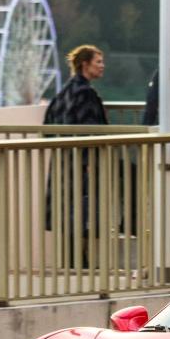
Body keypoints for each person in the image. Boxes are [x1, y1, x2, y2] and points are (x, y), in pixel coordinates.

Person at [43, 45, 109, 266]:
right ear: (85, 64)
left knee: (68, 211)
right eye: (98, 62)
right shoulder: (86, 94)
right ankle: (80, 263)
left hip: (62, 161)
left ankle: (73, 262)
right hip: (81, 163)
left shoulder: (63, 93)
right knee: (82, 212)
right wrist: (90, 160)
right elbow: (91, 129)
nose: (102, 66)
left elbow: (47, 128)